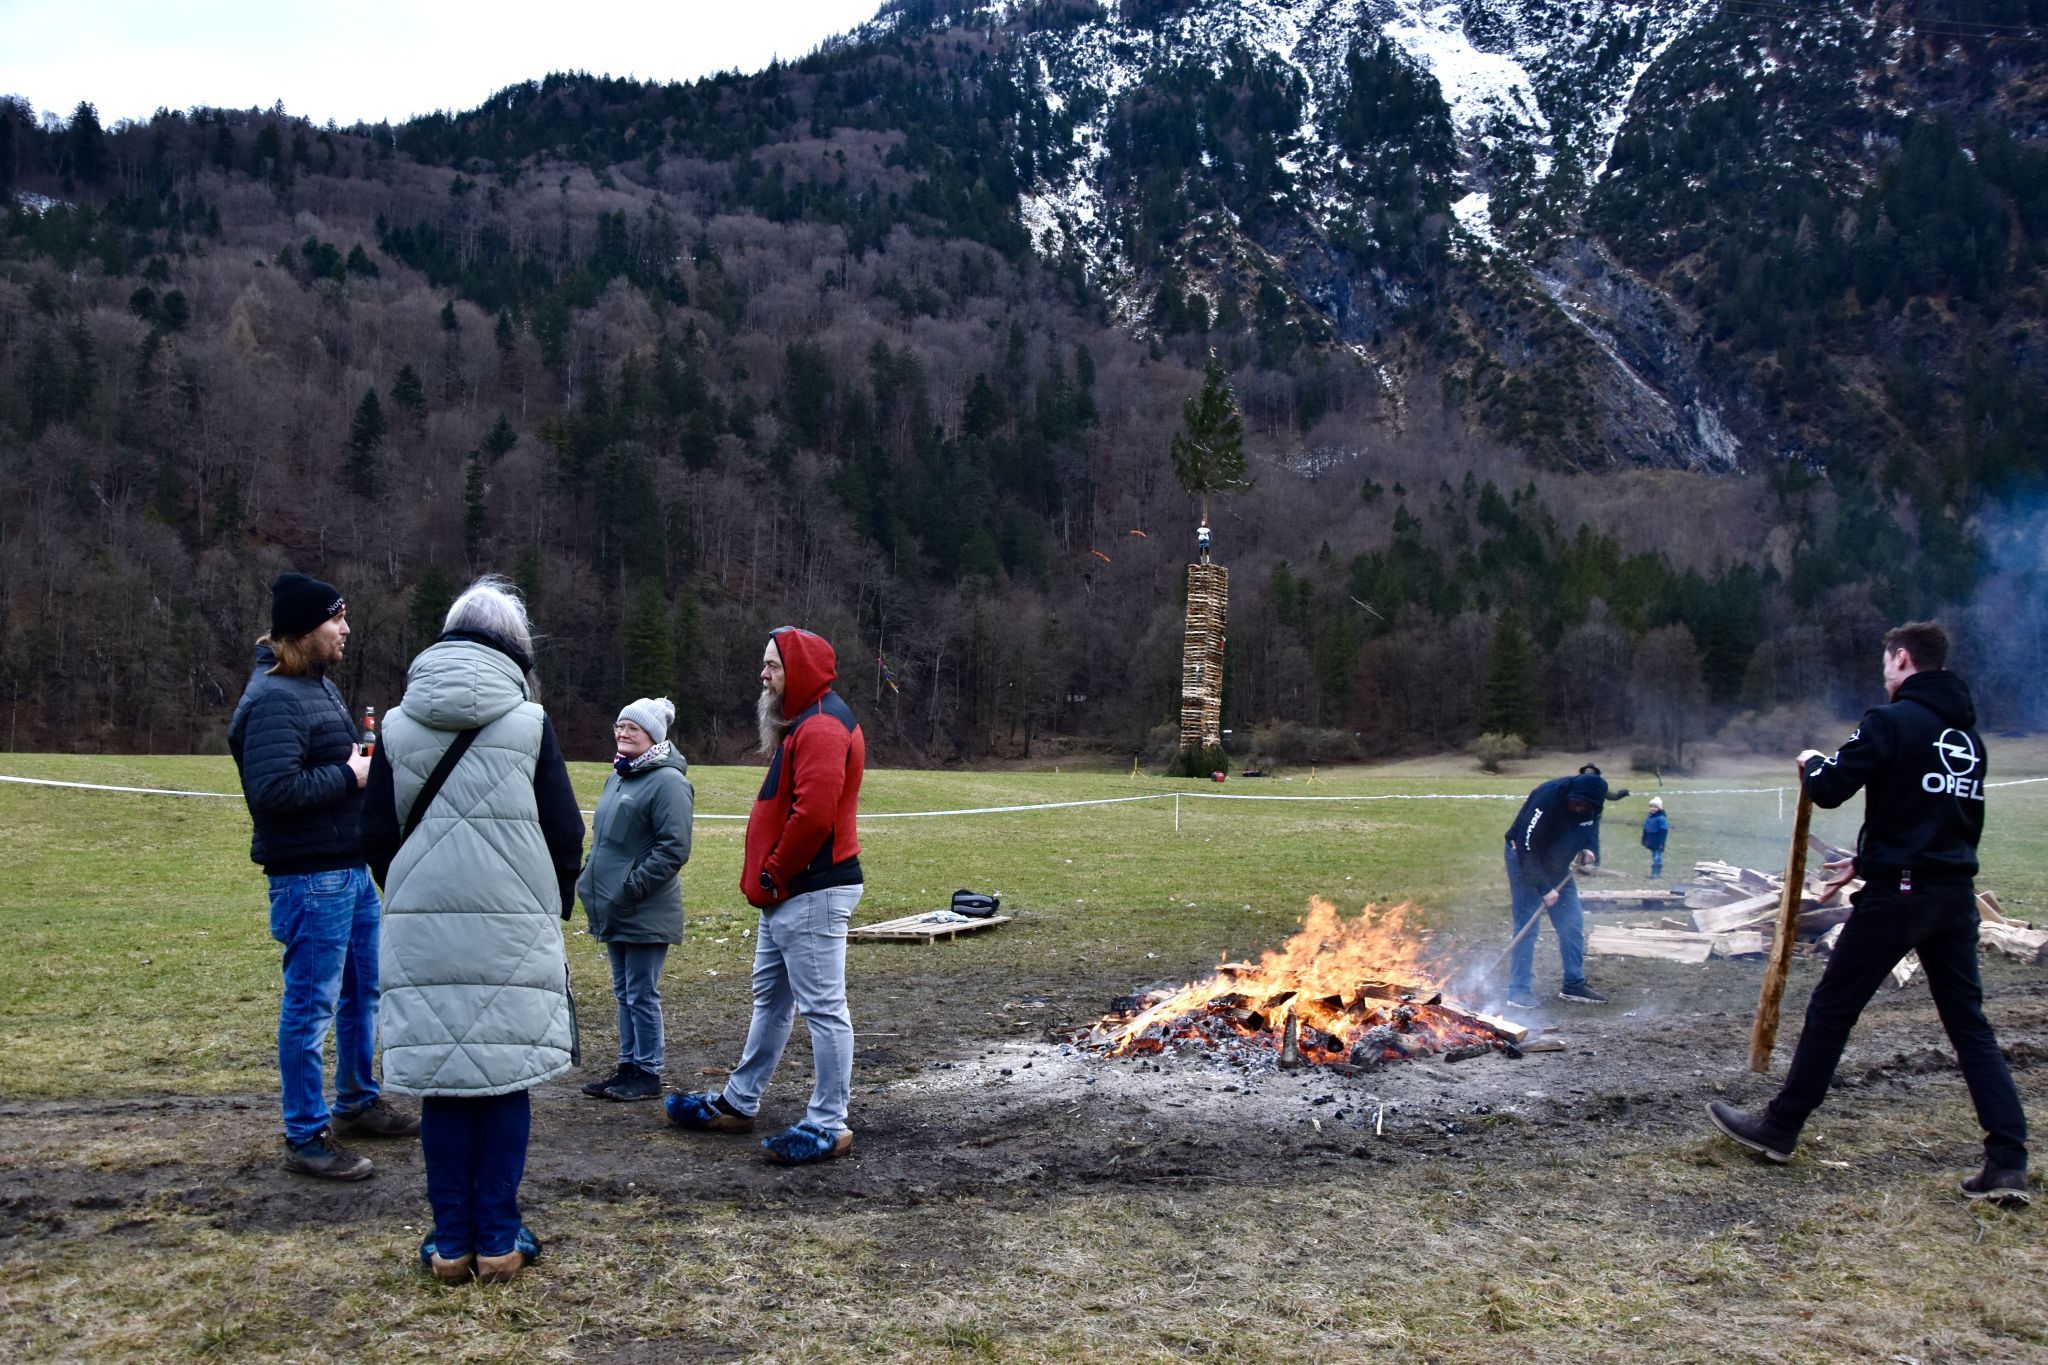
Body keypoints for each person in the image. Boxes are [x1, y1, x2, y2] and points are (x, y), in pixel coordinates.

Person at [1707, 622, 2029, 1206]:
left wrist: (1812, 761)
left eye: (1886, 662)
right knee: (1970, 1028)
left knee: (1832, 1009)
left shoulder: (1890, 721)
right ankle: (2008, 1161)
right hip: (1952, 897)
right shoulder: (1969, 739)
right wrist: (1868, 857)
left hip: (1899, 898)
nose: (1884, 674)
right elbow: (1937, 816)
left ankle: (1780, 1126)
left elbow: (1830, 788)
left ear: (1902, 659)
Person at [361, 576, 587, 1282]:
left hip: (421, 929)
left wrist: (414, 895)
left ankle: (451, 1241)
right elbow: (565, 831)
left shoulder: (395, 727)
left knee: (443, 1084)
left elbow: (375, 835)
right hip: (513, 925)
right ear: (516, 648)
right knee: (504, 1080)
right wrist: (548, 904)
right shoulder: (530, 723)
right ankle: (498, 1237)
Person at [229, 571, 417, 1181]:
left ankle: (357, 1102)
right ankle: (305, 1135)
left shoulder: (316, 686)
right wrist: (350, 775)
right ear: (305, 629)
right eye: (336, 619)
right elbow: (271, 790)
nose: (346, 629)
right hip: (310, 879)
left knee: (364, 993)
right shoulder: (273, 698)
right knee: (310, 1008)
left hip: (348, 870)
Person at [667, 626, 865, 1165]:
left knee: (823, 1008)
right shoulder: (806, 721)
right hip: (790, 893)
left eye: (773, 665)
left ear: (798, 670)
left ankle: (829, 1123)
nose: (764, 674)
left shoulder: (821, 726)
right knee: (772, 1000)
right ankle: (739, 1101)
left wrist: (775, 873)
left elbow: (813, 817)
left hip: (809, 889)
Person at [576, 696, 694, 1103]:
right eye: (620, 726)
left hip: (644, 906)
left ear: (653, 736)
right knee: (624, 990)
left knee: (641, 992)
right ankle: (627, 1066)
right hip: (614, 905)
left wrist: (631, 888)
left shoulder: (668, 782)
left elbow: (673, 848)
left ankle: (647, 1071)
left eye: (634, 728)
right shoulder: (620, 775)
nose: (624, 733)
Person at [1502, 769, 1616, 1009]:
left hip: (1558, 864)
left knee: (1572, 923)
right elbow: (1526, 847)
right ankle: (1518, 990)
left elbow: (1591, 828)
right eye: (1576, 803)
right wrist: (1545, 889)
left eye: (1585, 806)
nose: (1579, 808)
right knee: (1527, 925)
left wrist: (1590, 849)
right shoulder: (1547, 798)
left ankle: (1573, 984)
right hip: (1524, 859)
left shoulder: (1592, 806)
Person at [1642, 796, 1670, 879]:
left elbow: (1664, 831)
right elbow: (1646, 828)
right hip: (1651, 839)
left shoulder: (1661, 818)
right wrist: (1644, 839)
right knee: (1654, 855)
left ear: (1659, 808)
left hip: (1657, 840)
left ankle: (1656, 872)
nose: (1652, 809)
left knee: (1657, 856)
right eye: (1651, 806)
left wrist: (1661, 843)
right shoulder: (1649, 817)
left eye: (1655, 807)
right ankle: (1654, 871)